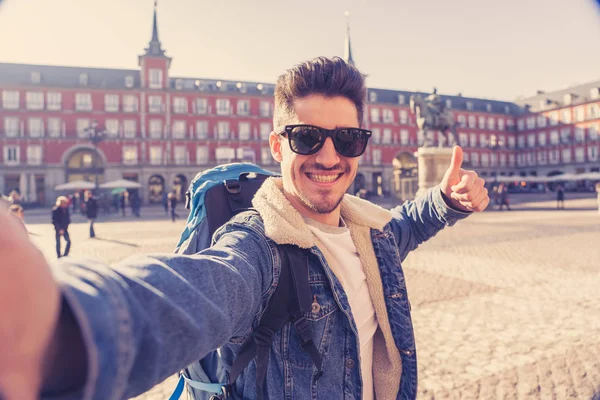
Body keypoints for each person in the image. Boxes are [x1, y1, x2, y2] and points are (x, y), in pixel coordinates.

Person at [0, 57, 489, 400]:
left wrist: (446, 201)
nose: (328, 155)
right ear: (278, 147)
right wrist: (57, 328)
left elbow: (403, 227)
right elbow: (193, 294)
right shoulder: (259, 248)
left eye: (347, 138)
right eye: (306, 137)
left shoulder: (369, 235)